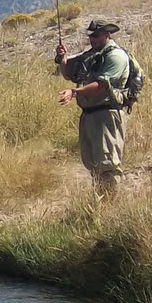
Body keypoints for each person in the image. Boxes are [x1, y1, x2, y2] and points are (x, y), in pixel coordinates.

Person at [56, 16, 131, 195]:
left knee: (108, 165)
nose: (92, 39)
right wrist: (62, 58)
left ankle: (110, 206)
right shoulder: (90, 55)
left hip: (107, 115)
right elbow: (70, 74)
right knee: (93, 164)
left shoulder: (116, 56)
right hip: (89, 116)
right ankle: (101, 202)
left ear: (107, 34)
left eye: (96, 35)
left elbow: (102, 85)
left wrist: (75, 92)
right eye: (91, 35)